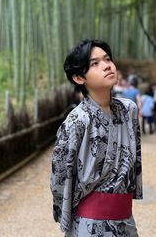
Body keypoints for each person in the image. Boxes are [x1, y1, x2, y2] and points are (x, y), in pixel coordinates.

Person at [50, 39, 142, 237]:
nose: (107, 65)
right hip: (89, 226)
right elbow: (59, 175)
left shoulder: (129, 110)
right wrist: (64, 216)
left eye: (108, 59)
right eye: (95, 63)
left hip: (126, 221)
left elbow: (135, 161)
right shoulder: (77, 120)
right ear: (78, 78)